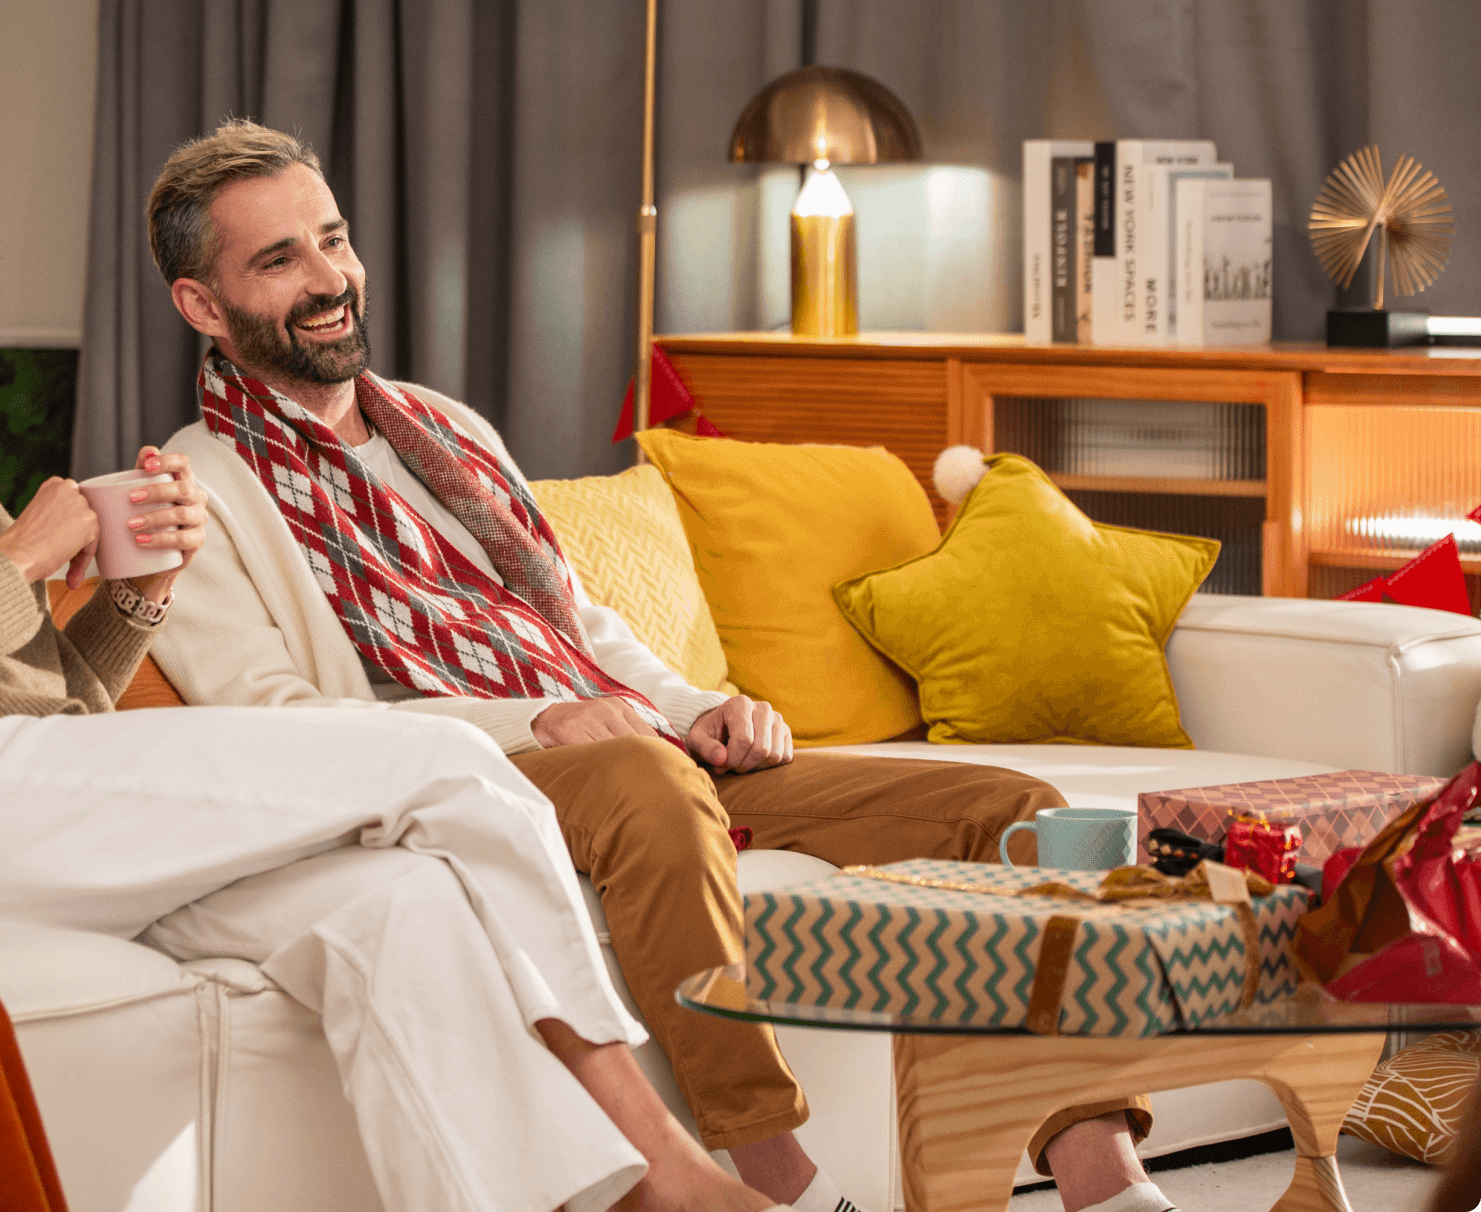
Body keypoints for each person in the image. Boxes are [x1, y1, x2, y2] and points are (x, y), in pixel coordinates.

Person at [0, 109, 788, 1212]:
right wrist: (29, 552)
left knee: (400, 907)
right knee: (442, 767)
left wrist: (135, 600)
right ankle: (660, 1167)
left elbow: (56, 700)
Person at [143, 120, 1175, 1212]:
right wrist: (531, 728)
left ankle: (1103, 1179)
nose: (329, 279)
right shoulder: (188, 494)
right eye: (279, 259)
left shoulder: (443, 429)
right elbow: (281, 727)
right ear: (203, 306)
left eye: (333, 240)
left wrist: (698, 704)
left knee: (1016, 811)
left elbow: (580, 621)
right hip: (461, 777)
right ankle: (775, 1178)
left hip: (632, 742)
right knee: (647, 777)